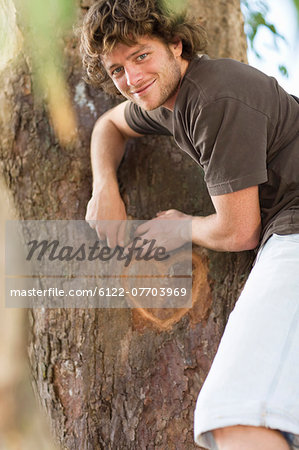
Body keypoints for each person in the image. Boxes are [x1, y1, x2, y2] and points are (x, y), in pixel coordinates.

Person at [79, 0, 299, 448]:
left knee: (234, 415)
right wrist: (105, 187)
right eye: (117, 70)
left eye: (141, 56)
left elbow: (239, 232)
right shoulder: (164, 98)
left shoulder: (214, 96)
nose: (132, 79)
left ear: (176, 46)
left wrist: (180, 227)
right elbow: (108, 125)